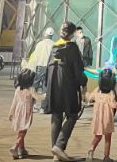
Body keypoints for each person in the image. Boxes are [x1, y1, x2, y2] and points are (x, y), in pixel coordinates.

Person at [46, 21, 87, 161]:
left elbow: (47, 68)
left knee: (56, 117)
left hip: (53, 87)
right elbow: (78, 69)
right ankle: (59, 145)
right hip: (68, 86)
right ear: (71, 34)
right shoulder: (72, 47)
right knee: (72, 115)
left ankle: (56, 154)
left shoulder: (54, 47)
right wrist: (83, 83)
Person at [86, 69, 117, 162]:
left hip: (97, 118)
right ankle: (106, 157)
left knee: (98, 136)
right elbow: (113, 105)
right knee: (108, 138)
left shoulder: (98, 90)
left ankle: (91, 148)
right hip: (107, 119)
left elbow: (90, 97)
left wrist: (86, 94)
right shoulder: (111, 93)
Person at [9, 68, 36, 159]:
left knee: (21, 130)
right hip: (26, 113)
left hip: (18, 112)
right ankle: (15, 146)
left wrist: (11, 113)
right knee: (23, 131)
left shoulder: (18, 89)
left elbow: (14, 102)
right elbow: (39, 97)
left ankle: (21, 149)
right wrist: (46, 95)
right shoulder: (31, 90)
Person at [28, 27, 54, 111]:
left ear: (45, 34)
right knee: (45, 87)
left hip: (39, 67)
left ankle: (32, 105)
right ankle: (43, 107)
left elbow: (35, 57)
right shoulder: (54, 44)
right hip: (49, 68)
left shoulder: (40, 44)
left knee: (35, 85)